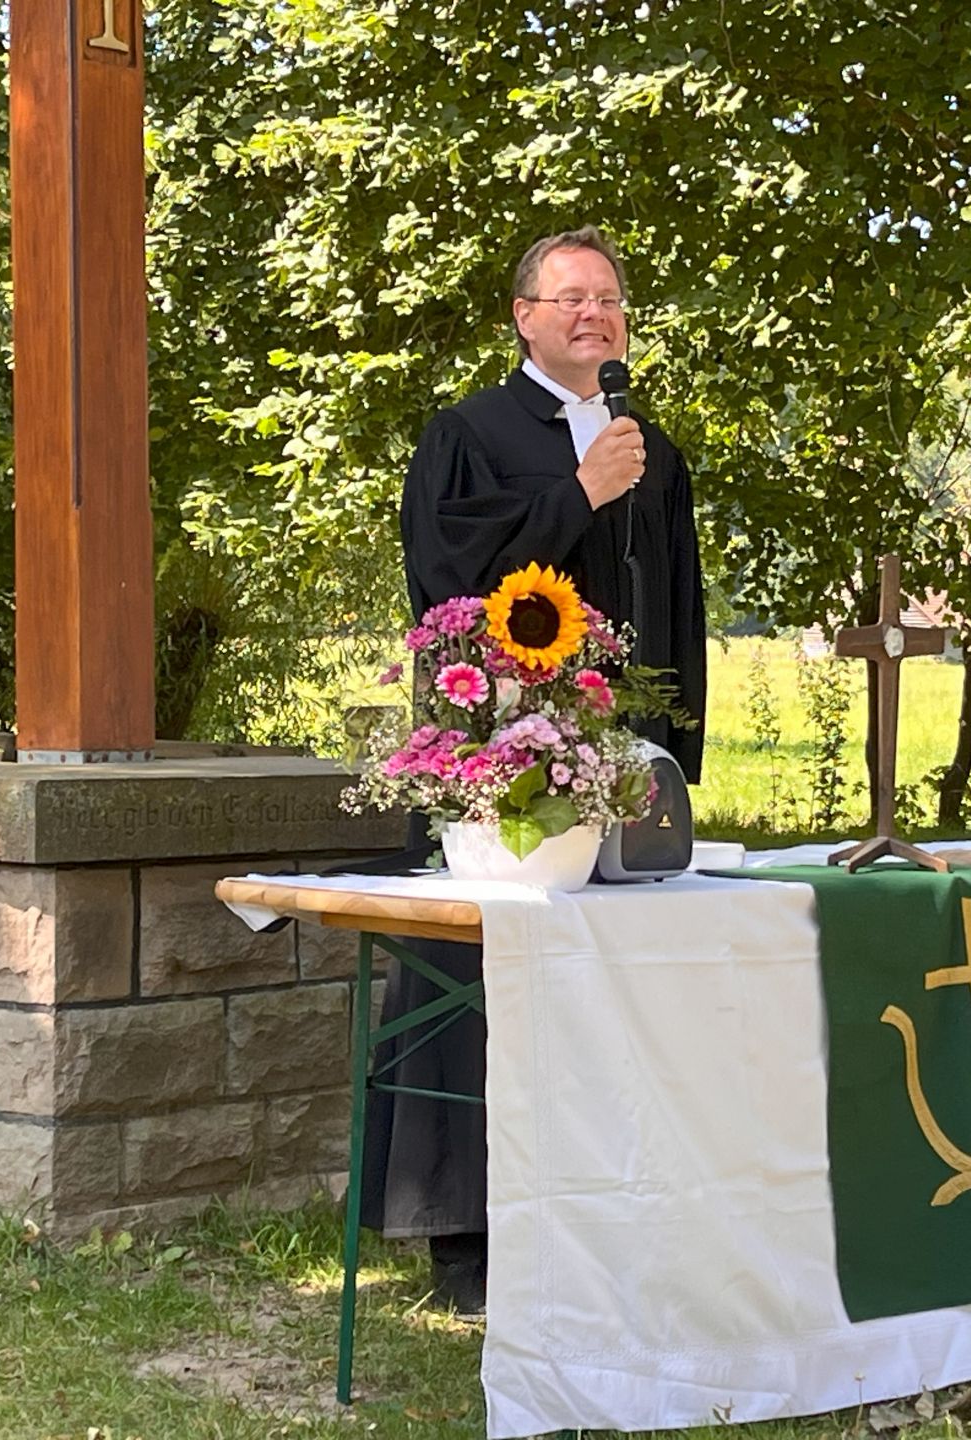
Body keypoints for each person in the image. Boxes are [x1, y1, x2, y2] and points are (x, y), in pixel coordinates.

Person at [363, 226, 706, 1314]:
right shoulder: (468, 434)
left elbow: (675, 607)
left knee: (613, 986)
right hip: (497, 760)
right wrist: (576, 495)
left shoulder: (651, 448)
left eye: (608, 297)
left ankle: (607, 1214)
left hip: (621, 757)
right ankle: (463, 1237)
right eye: (570, 298)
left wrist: (672, 754)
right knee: (479, 990)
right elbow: (446, 577)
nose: (593, 313)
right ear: (524, 318)